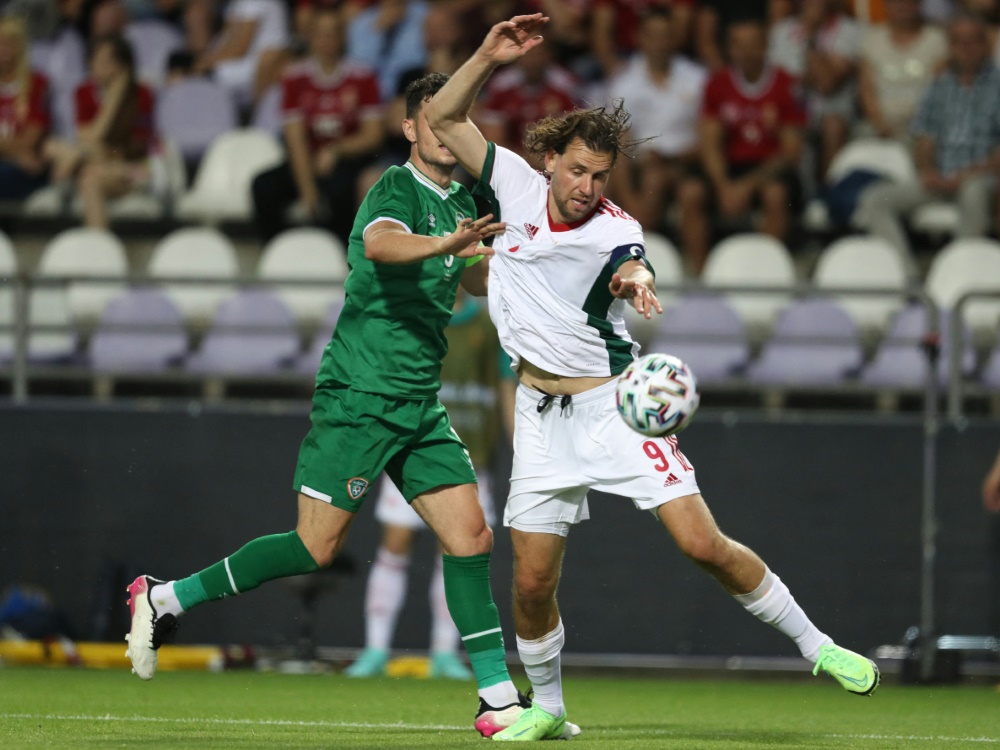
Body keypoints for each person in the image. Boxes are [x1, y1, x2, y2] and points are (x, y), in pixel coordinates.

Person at [426, 13, 879, 742]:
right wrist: (487, 53)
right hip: (540, 414)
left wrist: (637, 281)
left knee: (702, 545)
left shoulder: (613, 228)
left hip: (615, 407)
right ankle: (549, 708)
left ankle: (816, 646)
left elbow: (632, 260)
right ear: (550, 160)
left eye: (600, 175)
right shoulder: (508, 180)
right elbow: (445, 115)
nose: (586, 185)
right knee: (532, 581)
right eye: (577, 169)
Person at [125, 72, 547, 741]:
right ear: (410, 128)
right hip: (359, 395)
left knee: (471, 536)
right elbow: (383, 244)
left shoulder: (463, 197)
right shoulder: (392, 188)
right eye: (433, 122)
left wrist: (518, 264)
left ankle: (496, 696)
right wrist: (445, 245)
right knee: (313, 548)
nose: (444, 134)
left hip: (417, 403)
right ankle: (164, 597)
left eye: (455, 121)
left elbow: (467, 276)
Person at [346, 291, 517, 680]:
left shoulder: (490, 323)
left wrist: (519, 448)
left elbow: (505, 384)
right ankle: (375, 650)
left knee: (456, 550)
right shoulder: (414, 315)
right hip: (414, 451)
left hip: (472, 455)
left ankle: (444, 653)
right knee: (395, 541)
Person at [854, 15, 1000, 274]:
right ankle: (908, 276)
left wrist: (966, 176)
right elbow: (925, 138)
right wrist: (928, 170)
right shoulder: (939, 85)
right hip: (939, 178)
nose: (965, 49)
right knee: (875, 199)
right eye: (958, 42)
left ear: (986, 45)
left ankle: (957, 274)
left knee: (974, 193)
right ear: (950, 47)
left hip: (981, 178)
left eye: (972, 42)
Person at [678, 17, 806, 275]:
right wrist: (724, 186)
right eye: (739, 45)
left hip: (769, 166)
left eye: (753, 44)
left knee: (775, 194)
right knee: (690, 192)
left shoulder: (786, 84)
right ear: (729, 49)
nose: (746, 53)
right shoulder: (718, 83)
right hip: (729, 165)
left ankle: (762, 272)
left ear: (765, 46)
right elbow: (710, 143)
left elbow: (790, 152)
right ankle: (702, 276)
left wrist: (746, 187)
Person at [251, 7, 383, 245]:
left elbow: (373, 135)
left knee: (341, 190)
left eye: (333, 34)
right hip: (307, 160)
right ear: (310, 37)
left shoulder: (362, 77)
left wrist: (336, 149)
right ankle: (275, 251)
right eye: (321, 34)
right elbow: (295, 138)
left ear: (343, 37)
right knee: (263, 186)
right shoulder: (295, 78)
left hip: (347, 160)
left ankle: (342, 256)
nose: (327, 41)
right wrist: (307, 189)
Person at [604, 5, 707, 233]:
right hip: (642, 168)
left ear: (675, 38)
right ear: (640, 38)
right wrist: (629, 198)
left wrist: (675, 158)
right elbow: (618, 146)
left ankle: (697, 268)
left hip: (687, 163)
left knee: (688, 192)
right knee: (650, 180)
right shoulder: (624, 83)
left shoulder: (697, 79)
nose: (660, 43)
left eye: (666, 36)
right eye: (653, 36)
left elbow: (707, 137)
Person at [44, 34, 157, 229]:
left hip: (130, 166)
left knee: (89, 177)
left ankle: (99, 248)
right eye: (94, 59)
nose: (96, 66)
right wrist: (110, 102)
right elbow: (87, 137)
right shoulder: (84, 92)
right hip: (93, 157)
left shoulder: (141, 95)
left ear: (123, 66)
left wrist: (116, 96)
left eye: (105, 61)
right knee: (51, 146)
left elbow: (136, 148)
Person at [768, 0, 860, 179]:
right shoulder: (781, 31)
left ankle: (829, 194)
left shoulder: (850, 30)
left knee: (833, 126)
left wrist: (810, 36)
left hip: (833, 109)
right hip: (793, 109)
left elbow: (827, 83)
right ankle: (800, 198)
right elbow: (780, 82)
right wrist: (812, 74)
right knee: (786, 126)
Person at [857, 0, 947, 141]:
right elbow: (867, 91)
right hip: (879, 126)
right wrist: (881, 126)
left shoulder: (936, 40)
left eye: (908, 1)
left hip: (923, 128)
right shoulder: (872, 40)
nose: (902, 6)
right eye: (896, 2)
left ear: (919, 4)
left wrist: (921, 126)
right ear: (886, 6)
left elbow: (940, 91)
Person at [0, 16, 49, 202]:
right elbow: (21, 149)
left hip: (24, 171)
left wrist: (12, 154)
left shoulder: (36, 84)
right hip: (18, 162)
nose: (3, 47)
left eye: (9, 41)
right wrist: (16, 155)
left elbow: (29, 142)